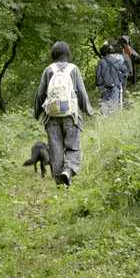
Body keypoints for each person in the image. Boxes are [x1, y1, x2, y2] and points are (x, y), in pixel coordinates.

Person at [33, 41, 94, 186]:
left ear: (53, 55)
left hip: (52, 116)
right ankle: (68, 170)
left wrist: (36, 112)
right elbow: (81, 92)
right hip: (71, 116)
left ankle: (60, 183)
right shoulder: (74, 69)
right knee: (73, 146)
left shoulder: (48, 70)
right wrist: (88, 110)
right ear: (68, 54)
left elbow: (40, 94)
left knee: (56, 150)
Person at [96, 44, 128, 115]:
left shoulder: (101, 62)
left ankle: (105, 117)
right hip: (115, 84)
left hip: (104, 86)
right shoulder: (116, 60)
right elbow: (124, 69)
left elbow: (98, 75)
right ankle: (112, 119)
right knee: (113, 103)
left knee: (104, 103)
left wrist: (99, 85)